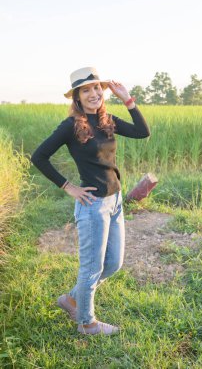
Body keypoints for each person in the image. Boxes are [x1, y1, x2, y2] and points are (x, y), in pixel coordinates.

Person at [30, 66, 151, 336]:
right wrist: (68, 186)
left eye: (97, 87)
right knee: (91, 268)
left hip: (115, 201)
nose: (94, 93)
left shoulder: (108, 121)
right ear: (77, 97)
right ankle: (87, 323)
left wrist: (128, 100)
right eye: (86, 90)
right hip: (93, 205)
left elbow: (143, 132)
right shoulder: (71, 126)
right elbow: (39, 157)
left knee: (112, 265)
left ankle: (72, 299)